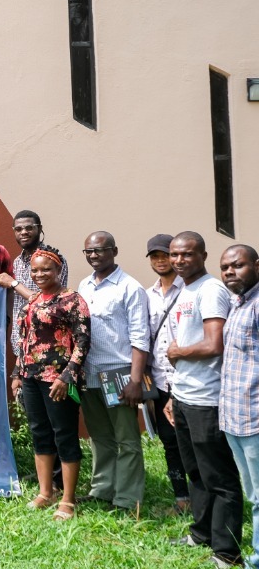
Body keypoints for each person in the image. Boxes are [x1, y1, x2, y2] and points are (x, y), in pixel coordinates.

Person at [166, 231, 242, 567]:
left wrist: (178, 353)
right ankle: (201, 533)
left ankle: (227, 552)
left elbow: (214, 344)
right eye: (175, 254)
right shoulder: (187, 289)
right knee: (196, 472)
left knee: (219, 478)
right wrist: (173, 394)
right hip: (185, 395)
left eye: (187, 254)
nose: (179, 260)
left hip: (207, 399)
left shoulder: (210, 290)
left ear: (203, 256)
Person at [11, 247, 90, 521]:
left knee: (64, 435)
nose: (40, 274)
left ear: (58, 270)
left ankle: (68, 499)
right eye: (35, 270)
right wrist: (17, 373)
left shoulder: (72, 300)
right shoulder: (33, 299)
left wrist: (66, 376)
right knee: (40, 433)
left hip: (58, 380)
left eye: (46, 269)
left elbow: (83, 342)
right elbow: (26, 341)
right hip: (31, 377)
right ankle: (46, 492)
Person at [74, 231, 150, 513]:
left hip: (118, 375)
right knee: (99, 436)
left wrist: (135, 380)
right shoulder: (84, 285)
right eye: (89, 251)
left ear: (114, 251)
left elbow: (140, 338)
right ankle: (102, 490)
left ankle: (128, 499)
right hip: (90, 373)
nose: (94, 255)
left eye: (100, 250)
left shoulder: (130, 287)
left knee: (127, 439)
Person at [219, 244, 259, 569]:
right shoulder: (238, 303)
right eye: (225, 268)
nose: (230, 272)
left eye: (238, 265)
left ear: (257, 266)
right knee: (254, 495)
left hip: (256, 418)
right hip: (235, 417)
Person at [145, 233, 190, 514]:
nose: (161, 260)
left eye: (165, 255)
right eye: (155, 256)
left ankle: (204, 499)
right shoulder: (147, 295)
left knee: (193, 443)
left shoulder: (190, 292)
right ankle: (182, 498)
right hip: (160, 382)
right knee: (169, 442)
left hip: (187, 382)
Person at [0, 210, 70, 356]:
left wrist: (13, 283)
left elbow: (49, 302)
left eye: (29, 228)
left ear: (40, 229)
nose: (23, 232)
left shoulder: (54, 260)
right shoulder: (17, 262)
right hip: (20, 341)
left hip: (46, 342)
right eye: (18, 229)